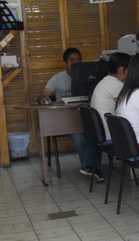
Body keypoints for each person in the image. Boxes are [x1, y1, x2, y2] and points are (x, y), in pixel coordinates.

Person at [37, 48, 103, 181]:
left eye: (79, 60)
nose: (76, 62)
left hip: (85, 117)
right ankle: (90, 166)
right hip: (66, 121)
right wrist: (43, 99)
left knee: (95, 133)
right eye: (72, 60)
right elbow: (43, 94)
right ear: (65, 63)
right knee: (78, 136)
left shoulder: (89, 75)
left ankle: (90, 168)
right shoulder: (58, 78)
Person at [91, 52, 131, 144]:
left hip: (101, 134)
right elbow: (129, 109)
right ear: (122, 69)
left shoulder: (106, 81)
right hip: (110, 135)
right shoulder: (116, 84)